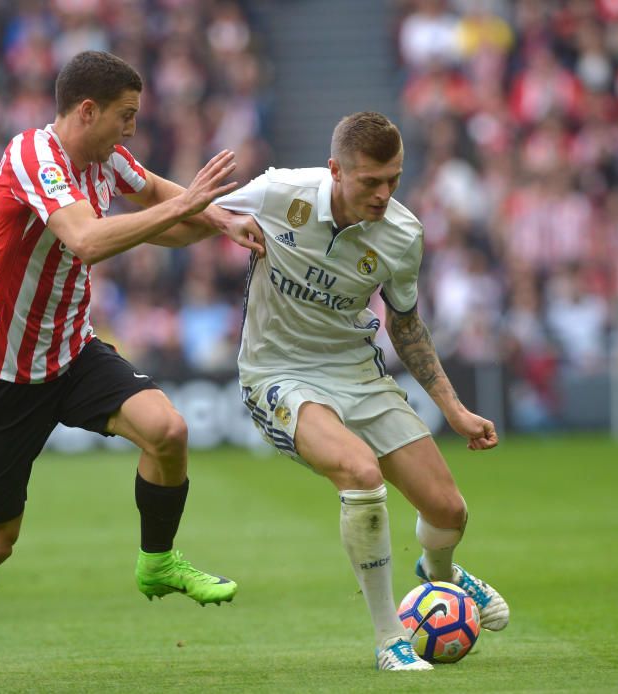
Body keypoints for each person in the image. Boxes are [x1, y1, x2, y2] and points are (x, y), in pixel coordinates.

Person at [0, 50, 261, 683]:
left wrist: (219, 219)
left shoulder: (103, 157)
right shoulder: (33, 156)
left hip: (72, 352)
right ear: (87, 110)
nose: (132, 129)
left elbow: (163, 199)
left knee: (168, 432)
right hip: (3, 375)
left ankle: (157, 562)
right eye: (125, 116)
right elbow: (86, 239)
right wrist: (187, 205)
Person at [217, 112, 509, 672]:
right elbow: (197, 211)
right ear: (335, 171)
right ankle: (388, 639)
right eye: (370, 181)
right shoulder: (281, 191)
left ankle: (438, 575)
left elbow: (406, 326)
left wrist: (455, 410)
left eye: (393, 179)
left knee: (449, 512)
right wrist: (216, 222)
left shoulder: (403, 234)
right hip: (278, 372)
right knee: (360, 474)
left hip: (356, 372)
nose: (383, 193)